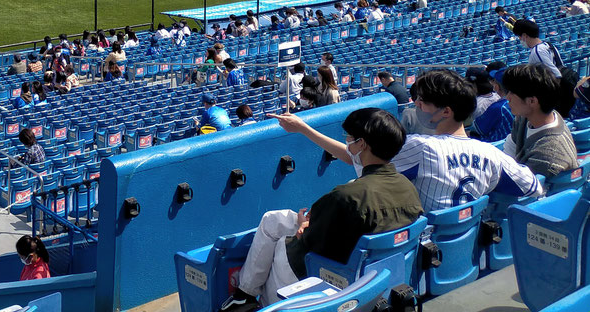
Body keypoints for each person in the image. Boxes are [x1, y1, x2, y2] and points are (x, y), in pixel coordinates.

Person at [218, 108, 423, 310]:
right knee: (275, 220)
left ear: (362, 144)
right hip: (376, 274)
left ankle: (251, 298)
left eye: (350, 138)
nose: (347, 142)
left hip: (329, 276)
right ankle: (245, 294)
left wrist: (303, 224)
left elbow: (306, 238)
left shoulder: (347, 196)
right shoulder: (408, 188)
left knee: (280, 241)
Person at [275, 69, 541, 212]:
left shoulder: (421, 147)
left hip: (421, 250)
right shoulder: (491, 154)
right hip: (464, 251)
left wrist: (304, 128)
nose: (417, 106)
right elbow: (534, 189)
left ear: (446, 111)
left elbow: (354, 154)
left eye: (423, 102)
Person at [501, 64, 579, 178]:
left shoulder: (548, 156)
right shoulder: (525, 116)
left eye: (512, 93)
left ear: (532, 101)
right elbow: (510, 148)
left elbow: (523, 186)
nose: (507, 97)